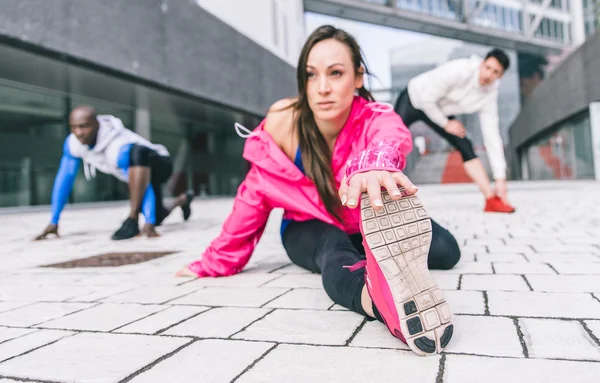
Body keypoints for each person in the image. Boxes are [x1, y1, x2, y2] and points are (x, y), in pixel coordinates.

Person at [176, 25, 459, 356]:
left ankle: (377, 253)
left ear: (358, 77)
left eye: (336, 73)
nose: (322, 88)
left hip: (361, 220)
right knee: (333, 249)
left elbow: (390, 136)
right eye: (311, 75)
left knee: (446, 251)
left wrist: (375, 163)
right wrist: (213, 262)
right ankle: (378, 302)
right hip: (306, 226)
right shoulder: (286, 124)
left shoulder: (373, 117)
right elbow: (254, 194)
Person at [34, 106, 194, 241]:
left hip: (161, 164)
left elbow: (143, 182)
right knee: (158, 215)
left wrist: (148, 223)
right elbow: (64, 179)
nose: (79, 132)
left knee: (138, 155)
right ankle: (183, 199)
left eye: (83, 126)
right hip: (139, 172)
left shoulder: (118, 147)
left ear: (96, 125)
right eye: (74, 127)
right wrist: (54, 221)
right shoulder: (73, 143)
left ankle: (135, 218)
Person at [394, 49, 516, 213]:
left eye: (495, 72)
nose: (488, 74)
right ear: (482, 63)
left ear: (499, 76)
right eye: (488, 67)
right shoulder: (460, 69)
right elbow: (427, 99)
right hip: (415, 98)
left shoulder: (490, 94)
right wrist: (446, 123)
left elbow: (492, 136)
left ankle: (491, 199)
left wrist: (500, 178)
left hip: (439, 110)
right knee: (393, 142)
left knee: (465, 144)